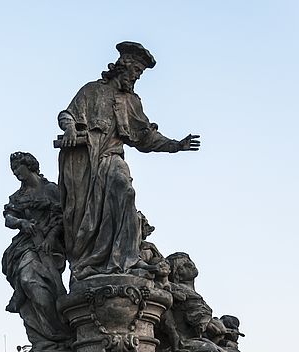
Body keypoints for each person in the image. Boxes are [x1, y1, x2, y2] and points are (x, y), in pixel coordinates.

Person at [56, 41, 200, 280]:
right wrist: (70, 129)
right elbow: (67, 114)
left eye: (139, 74)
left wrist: (175, 145)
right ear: (123, 67)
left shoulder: (132, 102)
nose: (136, 78)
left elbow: (145, 137)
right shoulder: (92, 90)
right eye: (135, 72)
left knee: (125, 192)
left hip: (111, 159)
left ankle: (126, 260)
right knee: (83, 218)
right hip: (84, 162)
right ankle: (89, 261)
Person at [1, 151, 70, 350]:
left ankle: (59, 333)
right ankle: (44, 336)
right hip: (26, 244)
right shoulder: (17, 196)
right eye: (12, 169)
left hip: (51, 244)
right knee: (28, 278)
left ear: (29, 165)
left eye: (17, 167)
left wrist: (50, 237)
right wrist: (21, 222)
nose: (15, 172)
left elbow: (63, 215)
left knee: (53, 287)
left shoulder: (51, 190)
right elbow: (8, 219)